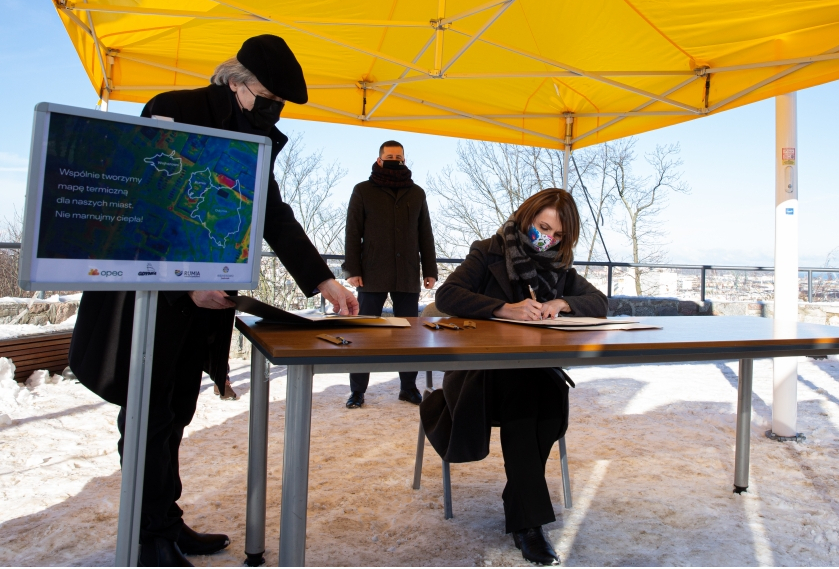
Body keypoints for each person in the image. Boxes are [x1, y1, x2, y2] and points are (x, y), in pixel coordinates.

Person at [69, 35, 359, 567]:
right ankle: (145, 535)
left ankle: (166, 521)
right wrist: (184, 283)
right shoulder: (171, 110)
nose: (273, 110)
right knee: (147, 415)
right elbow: (143, 211)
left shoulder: (255, 139)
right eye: (267, 97)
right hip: (147, 302)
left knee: (177, 411)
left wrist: (325, 281)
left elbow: (272, 215)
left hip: (200, 308)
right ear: (234, 81)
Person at [421, 188, 607, 566]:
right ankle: (529, 524)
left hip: (534, 373)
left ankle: (520, 501)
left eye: (558, 235)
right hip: (478, 374)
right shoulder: (488, 250)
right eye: (543, 228)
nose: (548, 240)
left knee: (551, 399)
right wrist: (504, 309)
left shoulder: (558, 267)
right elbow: (449, 295)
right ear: (527, 217)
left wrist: (561, 302)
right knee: (529, 396)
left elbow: (601, 303)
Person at [343, 140, 438, 408]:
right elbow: (353, 231)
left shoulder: (417, 193)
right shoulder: (362, 190)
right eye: (390, 156)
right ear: (379, 159)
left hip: (407, 273)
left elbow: (425, 234)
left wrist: (430, 269)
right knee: (364, 334)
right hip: (371, 273)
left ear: (405, 160)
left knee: (409, 334)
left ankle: (408, 388)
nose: (395, 159)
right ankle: (358, 391)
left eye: (399, 156)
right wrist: (352, 269)